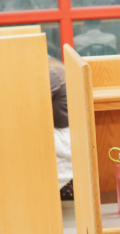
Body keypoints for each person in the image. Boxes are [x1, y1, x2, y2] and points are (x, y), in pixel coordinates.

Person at [48, 57, 74, 200]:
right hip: (68, 130)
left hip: (65, 134)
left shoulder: (52, 74)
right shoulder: (56, 69)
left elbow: (30, 100)